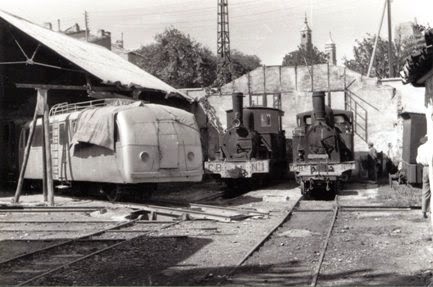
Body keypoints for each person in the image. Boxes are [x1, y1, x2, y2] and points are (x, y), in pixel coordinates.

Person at [416, 135, 431, 219]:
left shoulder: (421, 148)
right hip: (431, 167)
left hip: (425, 168)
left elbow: (418, 160)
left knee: (425, 189)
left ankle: (424, 211)